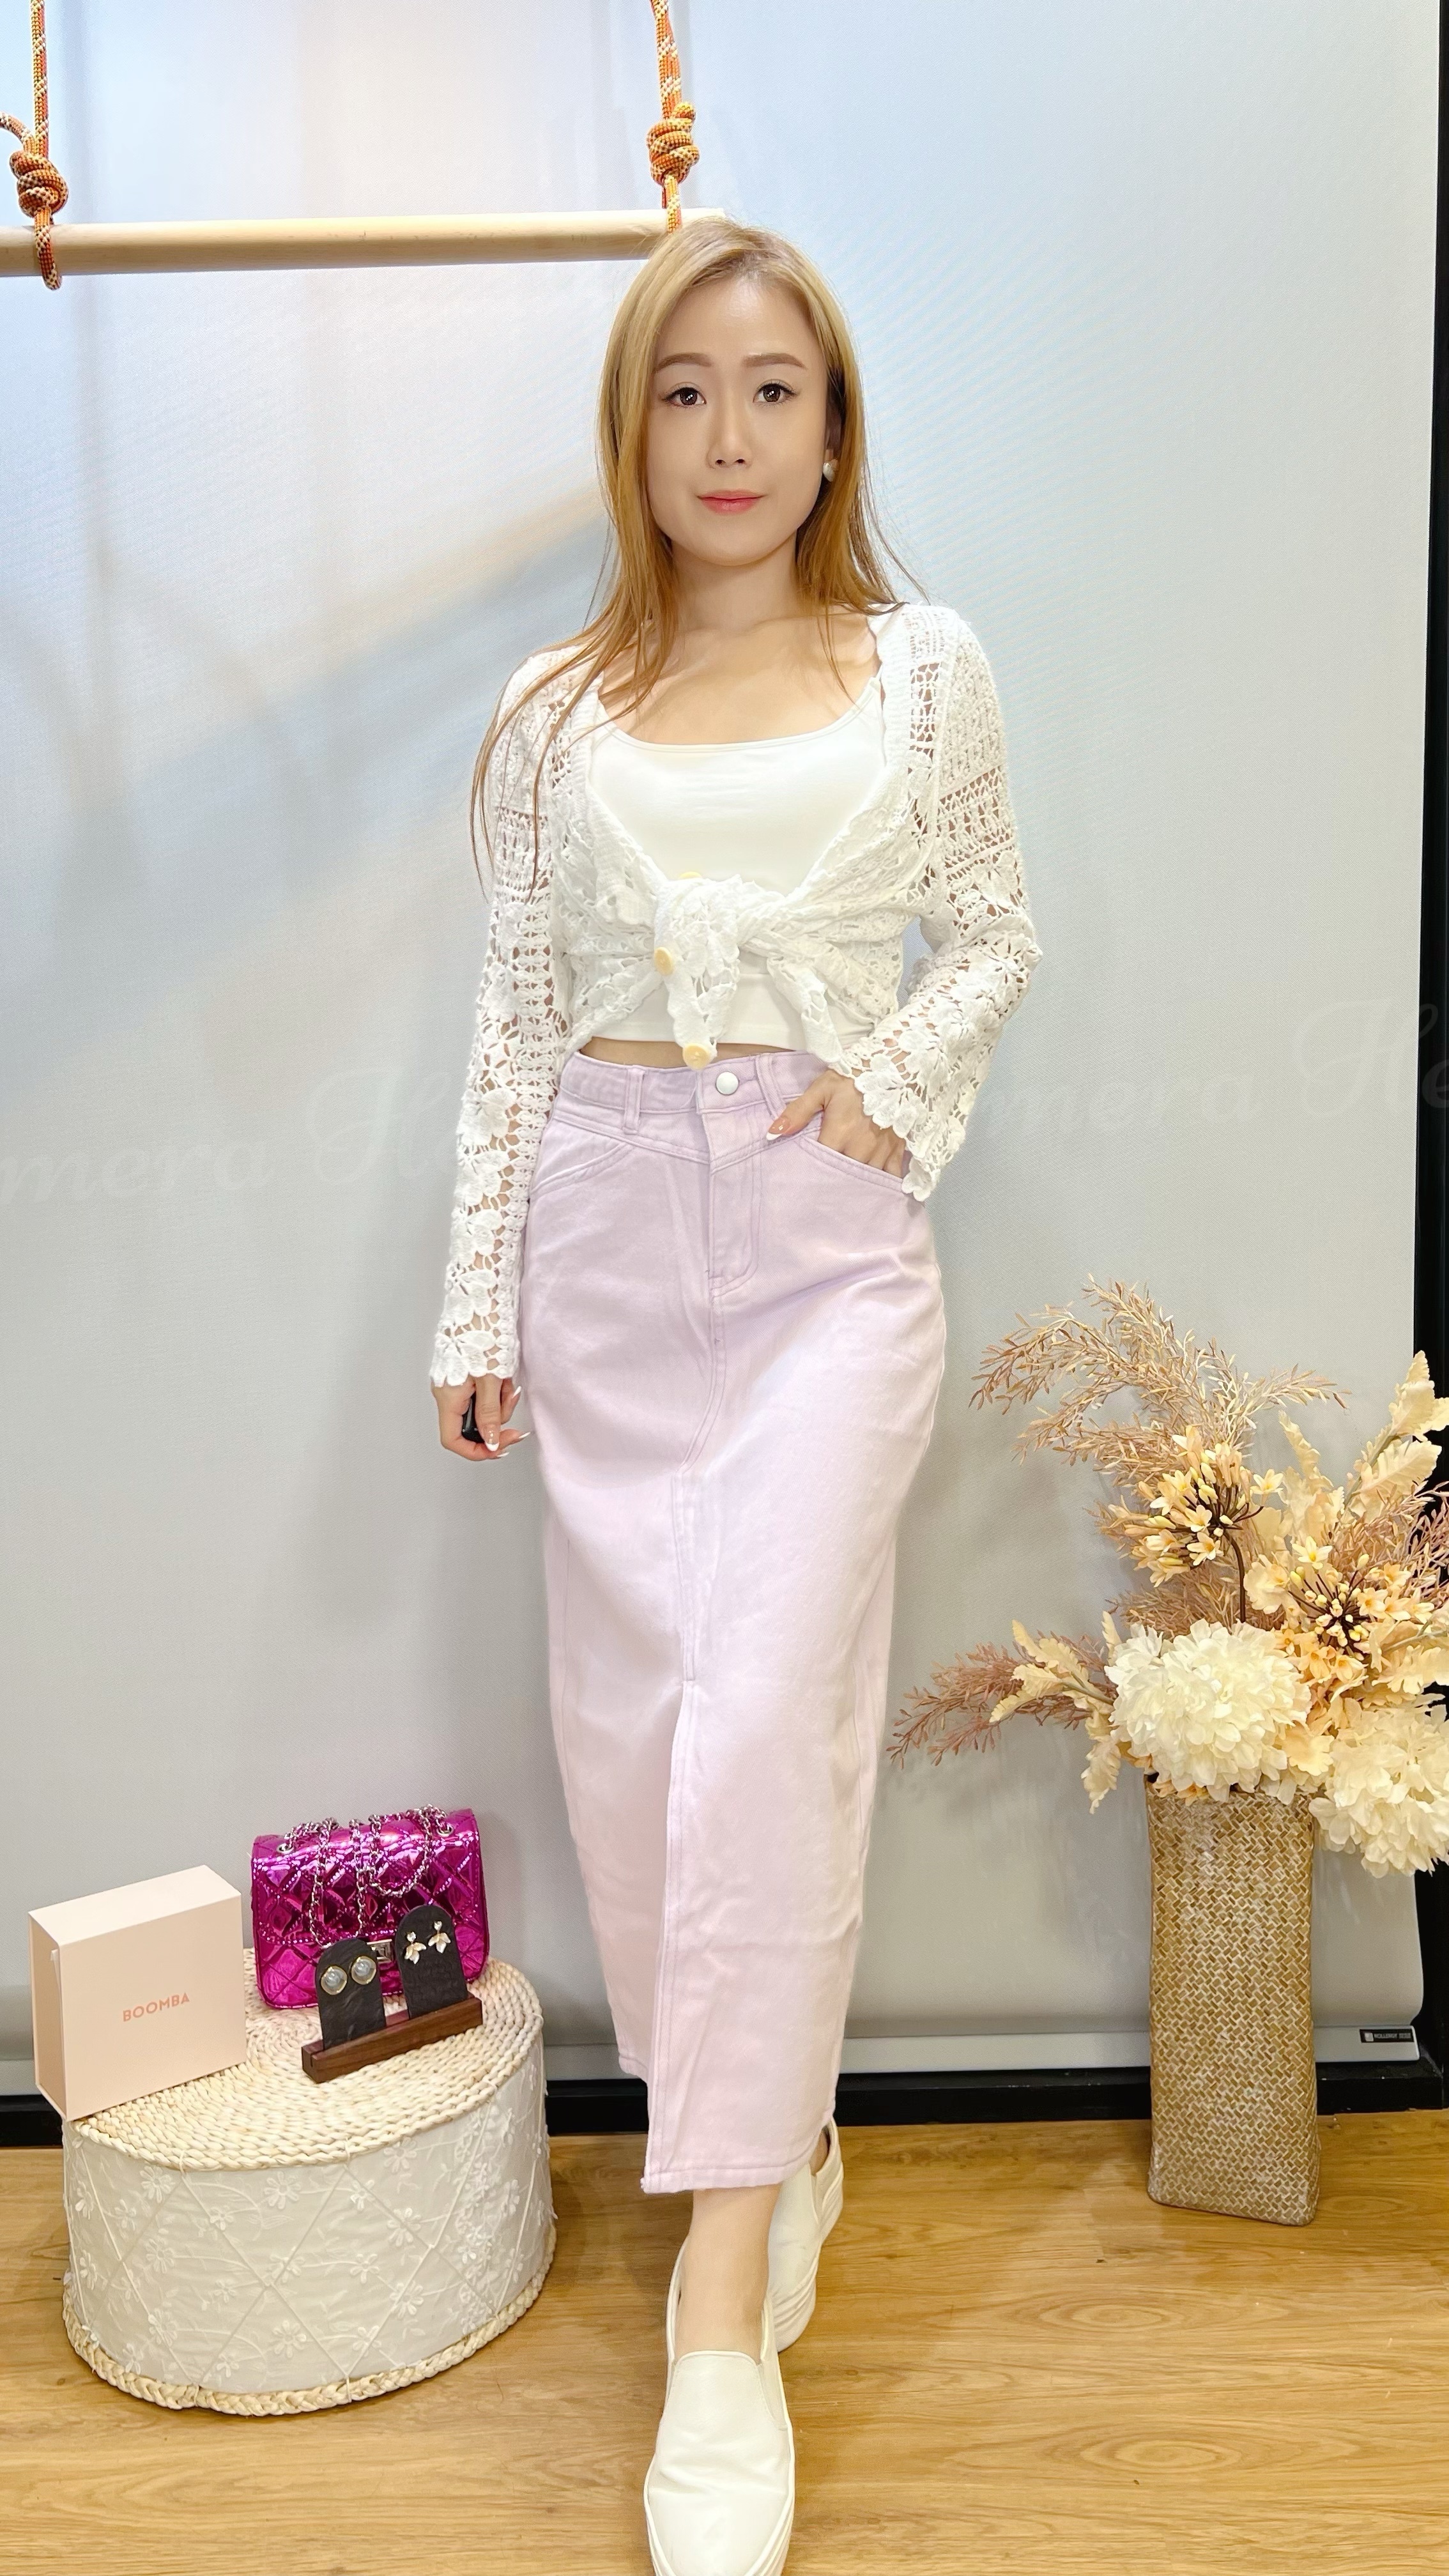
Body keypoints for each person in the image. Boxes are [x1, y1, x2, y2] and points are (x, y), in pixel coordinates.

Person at [431, 215, 1039, 2576]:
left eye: (772, 387)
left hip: (818, 1256)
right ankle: (771, 2154)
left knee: (765, 1707)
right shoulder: (551, 713)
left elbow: (994, 932)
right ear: (631, 429)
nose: (728, 434)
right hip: (599, 1231)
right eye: (683, 390)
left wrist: (888, 1086)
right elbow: (510, 1019)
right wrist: (472, 1307)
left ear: (831, 425)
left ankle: (713, 2316)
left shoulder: (920, 669)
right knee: (634, 1734)